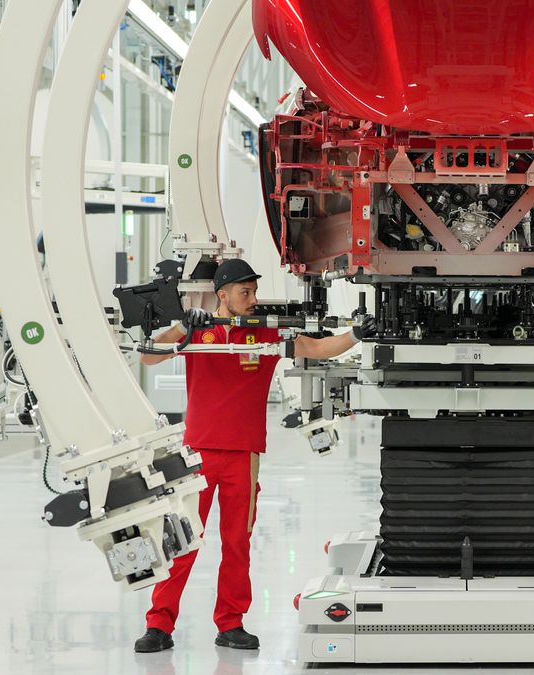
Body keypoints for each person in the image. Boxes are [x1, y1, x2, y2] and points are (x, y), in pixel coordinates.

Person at [133, 258, 373, 653]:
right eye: (245, 293)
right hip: (197, 455)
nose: (253, 299)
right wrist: (181, 328)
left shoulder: (263, 333)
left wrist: (356, 334)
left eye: (255, 291)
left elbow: (315, 347)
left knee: (237, 544)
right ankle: (159, 625)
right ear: (222, 295)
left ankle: (230, 623)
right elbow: (148, 356)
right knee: (183, 542)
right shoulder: (198, 330)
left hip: (243, 457)